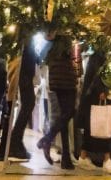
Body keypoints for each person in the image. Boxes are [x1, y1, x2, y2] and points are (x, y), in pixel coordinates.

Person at [37, 33, 80, 169]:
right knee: (69, 112)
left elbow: (41, 57)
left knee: (64, 118)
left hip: (56, 80)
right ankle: (47, 139)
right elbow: (74, 58)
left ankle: (66, 159)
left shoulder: (50, 39)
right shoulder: (65, 37)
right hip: (66, 79)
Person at [75, 50, 111, 174]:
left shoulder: (94, 57)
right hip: (97, 99)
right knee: (103, 128)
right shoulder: (99, 58)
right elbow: (98, 76)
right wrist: (102, 91)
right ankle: (107, 160)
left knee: (91, 129)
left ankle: (83, 157)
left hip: (90, 101)